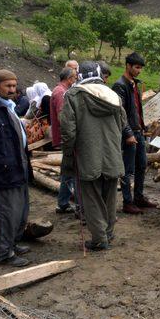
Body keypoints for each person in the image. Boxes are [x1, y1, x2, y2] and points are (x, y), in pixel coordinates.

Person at [60, 62, 129, 251]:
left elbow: (68, 130)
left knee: (91, 198)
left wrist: (68, 154)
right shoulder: (113, 96)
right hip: (112, 154)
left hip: (87, 154)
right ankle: (107, 233)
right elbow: (123, 123)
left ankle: (99, 239)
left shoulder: (73, 96)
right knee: (109, 196)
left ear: (80, 75)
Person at [0, 70, 32, 267]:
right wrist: (0, 165)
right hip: (2, 172)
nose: (12, 90)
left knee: (19, 211)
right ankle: (5, 252)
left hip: (18, 166)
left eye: (14, 86)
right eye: (8, 86)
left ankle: (13, 242)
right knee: (5, 213)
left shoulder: (8, 106)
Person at [112, 52, 155, 214]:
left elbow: (137, 109)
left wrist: (142, 127)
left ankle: (139, 197)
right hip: (128, 134)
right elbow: (120, 112)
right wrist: (128, 133)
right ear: (128, 66)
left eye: (140, 68)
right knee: (127, 169)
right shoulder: (120, 85)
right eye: (136, 67)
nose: (139, 70)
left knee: (142, 165)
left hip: (138, 132)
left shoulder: (134, 84)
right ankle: (127, 202)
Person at [50, 67, 77, 214]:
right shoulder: (61, 92)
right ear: (69, 78)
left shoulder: (59, 90)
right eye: (74, 78)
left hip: (65, 137)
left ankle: (63, 202)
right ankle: (64, 203)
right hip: (66, 138)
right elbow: (63, 117)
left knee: (69, 170)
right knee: (70, 170)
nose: (76, 80)